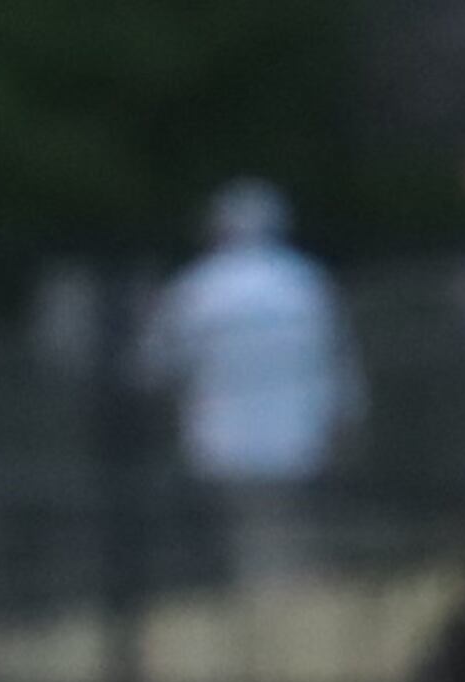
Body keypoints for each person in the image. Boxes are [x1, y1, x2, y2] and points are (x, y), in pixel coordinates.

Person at [134, 179, 360, 594]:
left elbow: (155, 364)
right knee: (295, 523)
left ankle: (264, 594)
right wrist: (344, 414)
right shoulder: (303, 281)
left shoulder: (196, 289)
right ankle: (295, 593)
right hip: (301, 430)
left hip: (223, 434)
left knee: (247, 530)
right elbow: (337, 357)